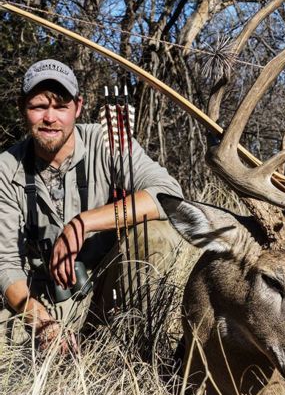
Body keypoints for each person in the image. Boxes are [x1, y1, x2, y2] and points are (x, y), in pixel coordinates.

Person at [0, 59, 183, 355]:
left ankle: (140, 352)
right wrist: (43, 324)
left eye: (60, 106)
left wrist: (83, 223)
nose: (50, 118)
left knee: (156, 233)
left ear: (78, 107)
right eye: (38, 106)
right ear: (23, 107)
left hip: (112, 292)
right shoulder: (5, 169)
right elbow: (6, 264)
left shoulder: (108, 141)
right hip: (48, 303)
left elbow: (168, 194)